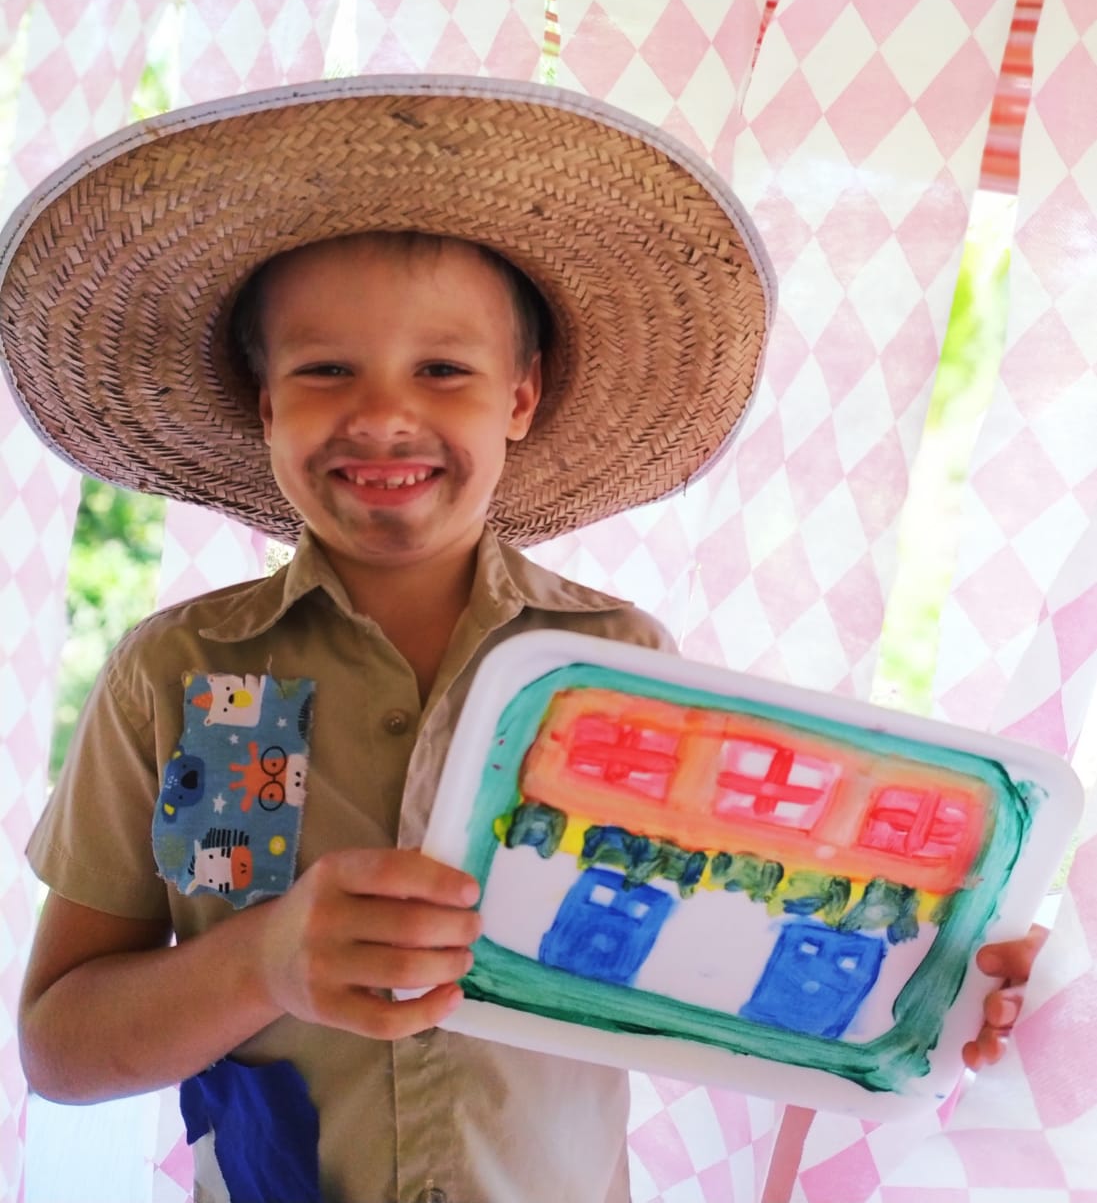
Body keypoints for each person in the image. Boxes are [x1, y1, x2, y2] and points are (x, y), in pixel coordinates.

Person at [1, 77, 1044, 1203]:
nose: (383, 413)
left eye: (442, 369)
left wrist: (936, 972)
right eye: (321, 370)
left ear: (520, 396)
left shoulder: (617, 662)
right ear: (264, 405)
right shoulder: (175, 670)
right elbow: (58, 1047)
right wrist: (259, 961)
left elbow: (735, 923)